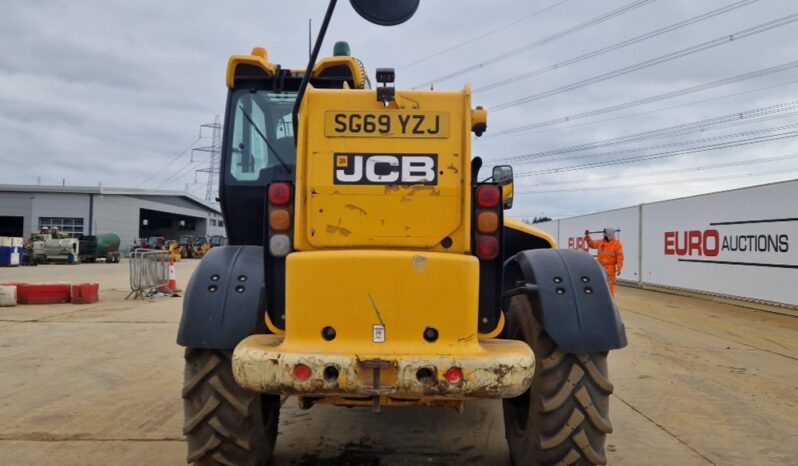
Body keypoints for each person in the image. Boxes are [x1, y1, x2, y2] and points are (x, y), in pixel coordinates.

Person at [584, 228, 624, 296]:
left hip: (610, 270)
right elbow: (591, 244)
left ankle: (610, 302)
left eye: (605, 235)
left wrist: (619, 267)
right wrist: (587, 236)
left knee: (610, 288)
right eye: (604, 235)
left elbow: (620, 257)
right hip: (600, 269)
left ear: (610, 235)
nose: (604, 236)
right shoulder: (600, 242)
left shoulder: (617, 244)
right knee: (599, 286)